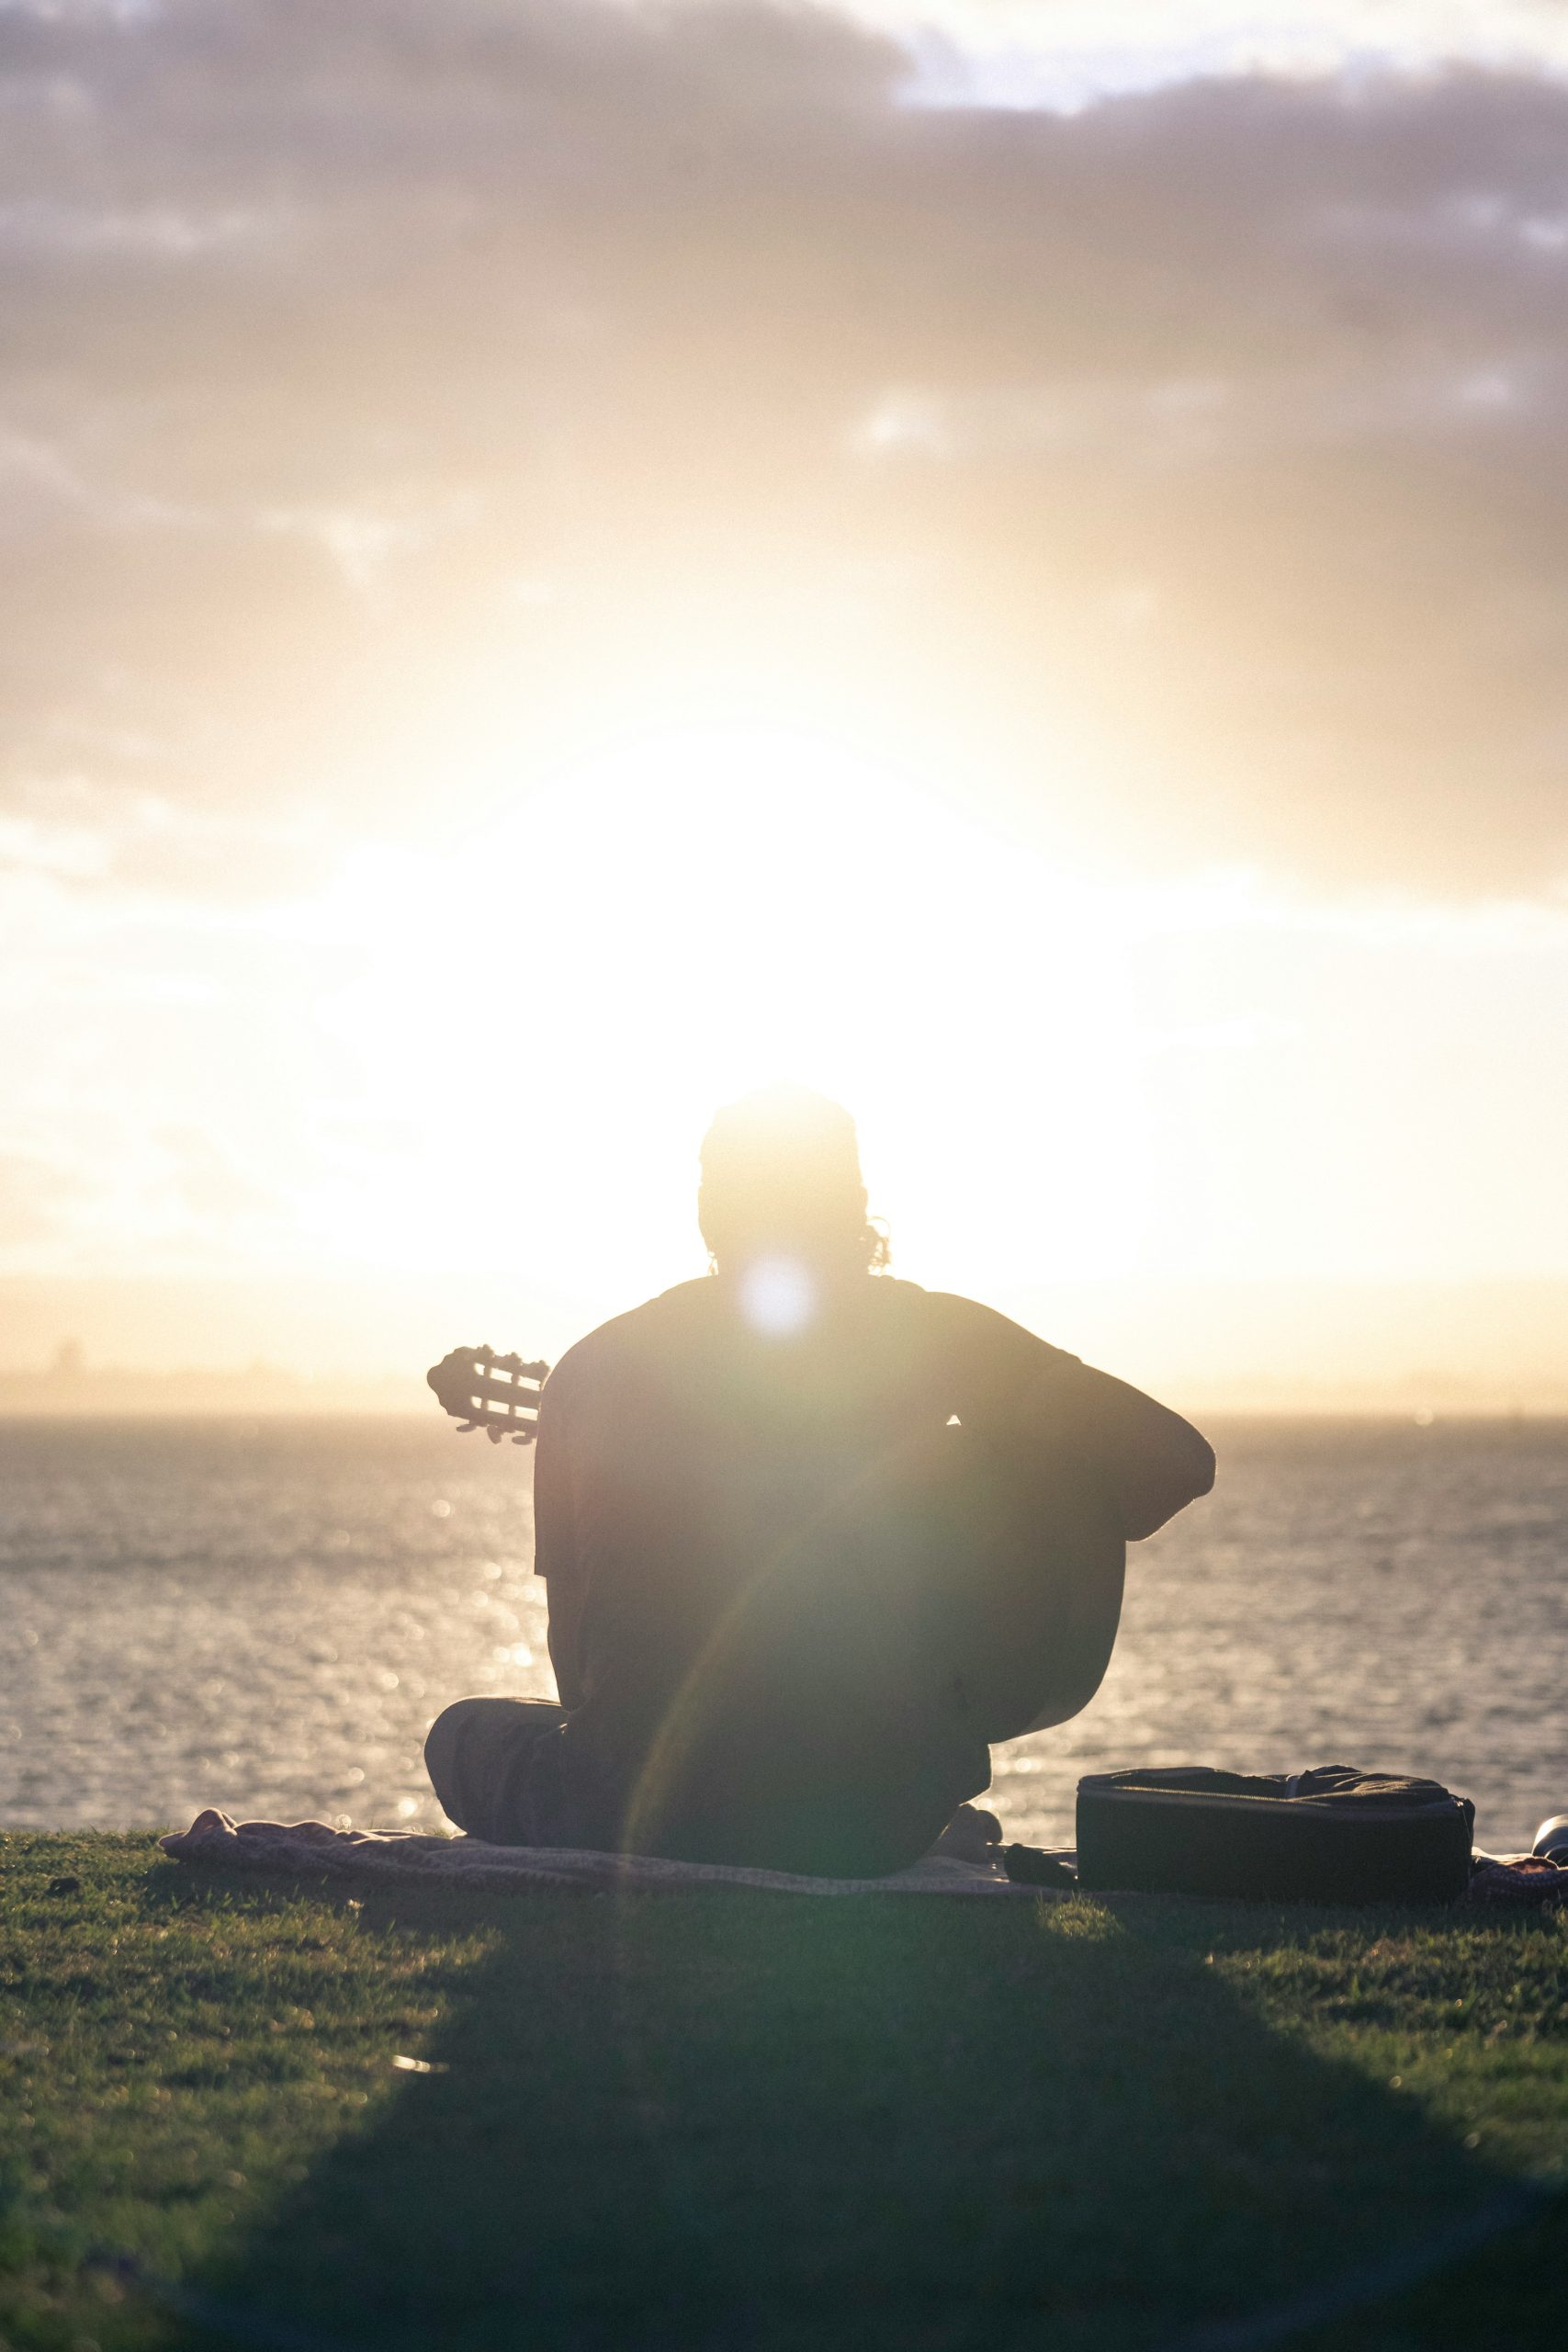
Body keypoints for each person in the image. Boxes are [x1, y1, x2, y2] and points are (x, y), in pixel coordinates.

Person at [424, 1087, 1215, 1875]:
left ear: (707, 1210)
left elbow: (576, 1673)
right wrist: (1008, 1515)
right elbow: (1173, 1461)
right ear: (855, 1203)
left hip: (636, 1813)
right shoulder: (934, 1337)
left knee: (465, 1731)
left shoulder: (591, 1370)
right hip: (872, 1817)